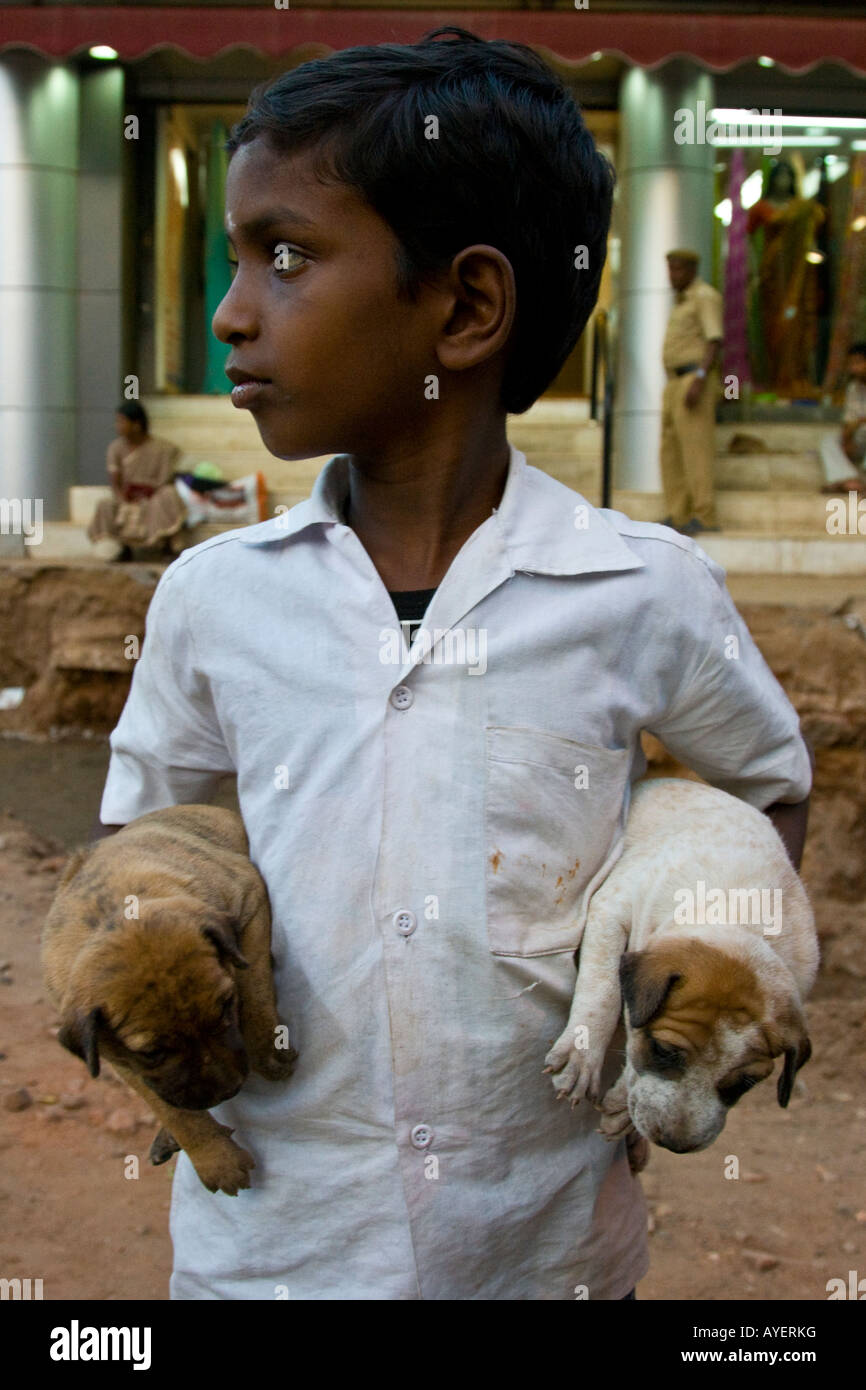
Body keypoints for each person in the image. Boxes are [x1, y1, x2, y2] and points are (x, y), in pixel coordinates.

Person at [92, 27, 811, 1301]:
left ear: (466, 307)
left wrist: (678, 1018)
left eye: (287, 256)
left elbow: (763, 787)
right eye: (235, 257)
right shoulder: (214, 598)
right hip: (271, 1255)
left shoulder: (641, 592)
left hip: (545, 1256)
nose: (229, 311)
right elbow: (152, 831)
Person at [747, 161, 825, 397]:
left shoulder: (802, 208)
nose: (783, 181)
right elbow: (748, 238)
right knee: (774, 327)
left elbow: (812, 231)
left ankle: (796, 377)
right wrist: (752, 269)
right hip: (772, 277)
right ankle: (774, 379)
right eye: (779, 176)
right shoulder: (760, 208)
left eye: (787, 176)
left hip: (797, 277)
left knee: (796, 325)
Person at [659, 249, 723, 535]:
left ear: (692, 269)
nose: (673, 275)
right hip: (673, 382)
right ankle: (679, 514)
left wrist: (699, 377)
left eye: (678, 269)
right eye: (670, 269)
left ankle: (705, 514)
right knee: (670, 451)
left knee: (696, 449)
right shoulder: (680, 301)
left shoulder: (704, 296)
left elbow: (714, 341)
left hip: (693, 379)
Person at [87, 401, 186, 560]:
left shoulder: (163, 448)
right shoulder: (116, 448)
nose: (117, 426)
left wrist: (146, 494)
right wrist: (123, 498)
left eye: (121, 421)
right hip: (127, 497)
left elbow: (165, 480)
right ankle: (119, 550)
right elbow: (115, 480)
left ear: (136, 425)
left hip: (153, 497)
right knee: (105, 505)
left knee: (168, 495)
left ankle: (168, 547)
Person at [820, 343, 866, 493]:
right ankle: (849, 480)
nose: (854, 368)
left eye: (858, 362)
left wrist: (859, 422)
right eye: (851, 363)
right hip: (859, 438)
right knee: (829, 441)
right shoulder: (853, 388)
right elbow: (849, 421)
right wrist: (847, 440)